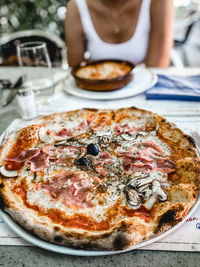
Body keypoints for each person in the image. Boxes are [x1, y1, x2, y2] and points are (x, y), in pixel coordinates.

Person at [65, 0, 174, 67]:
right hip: (98, 92)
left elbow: (157, 69)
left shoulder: (158, 2)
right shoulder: (75, 8)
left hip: (145, 94)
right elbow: (76, 70)